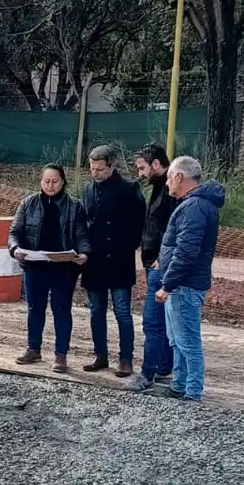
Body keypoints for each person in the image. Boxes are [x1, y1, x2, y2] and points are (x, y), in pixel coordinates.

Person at [149, 155, 226, 403]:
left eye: (170, 177)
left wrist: (167, 284)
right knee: (176, 339)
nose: (168, 183)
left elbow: (186, 251)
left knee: (187, 341)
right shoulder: (197, 204)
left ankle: (192, 391)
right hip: (183, 283)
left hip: (184, 285)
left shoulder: (194, 207)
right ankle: (179, 384)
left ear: (180, 177)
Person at [8, 164, 90, 373]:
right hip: (34, 266)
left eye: (55, 181)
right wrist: (15, 248)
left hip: (63, 268)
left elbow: (81, 234)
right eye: (47, 181)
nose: (50, 185)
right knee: (35, 309)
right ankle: (33, 348)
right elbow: (15, 231)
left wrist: (84, 253)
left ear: (63, 181)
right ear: (41, 182)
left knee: (61, 310)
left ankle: (61, 355)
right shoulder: (28, 204)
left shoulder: (75, 206)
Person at [79, 144, 145, 377]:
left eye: (99, 169)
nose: (95, 174)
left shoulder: (129, 189)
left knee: (122, 312)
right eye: (92, 169)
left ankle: (126, 359)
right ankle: (100, 355)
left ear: (112, 166)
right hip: (95, 261)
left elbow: (139, 225)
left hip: (119, 260)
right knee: (96, 310)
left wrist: (126, 247)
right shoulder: (88, 189)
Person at [127, 144, 178, 391]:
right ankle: (163, 368)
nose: (140, 173)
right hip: (153, 263)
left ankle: (147, 375)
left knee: (153, 322)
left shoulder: (171, 190)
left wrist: (163, 257)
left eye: (142, 168)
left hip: (161, 265)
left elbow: (176, 228)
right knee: (163, 321)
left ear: (156, 164)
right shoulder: (159, 187)